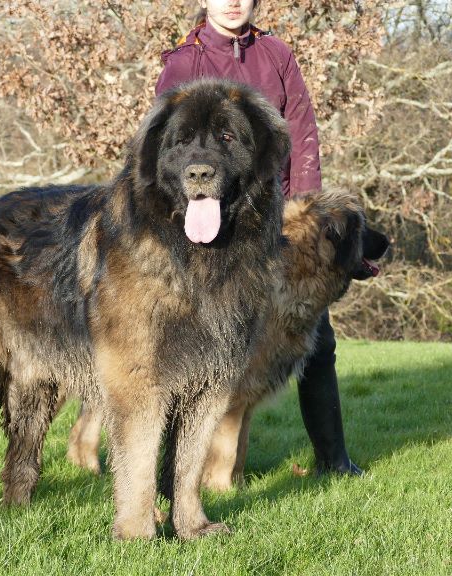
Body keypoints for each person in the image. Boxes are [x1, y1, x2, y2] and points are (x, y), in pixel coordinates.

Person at [156, 0, 362, 475]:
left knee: (317, 342)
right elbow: (168, 146)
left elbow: (303, 135)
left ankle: (334, 459)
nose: (233, 2)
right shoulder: (184, 62)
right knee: (200, 350)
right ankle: (180, 467)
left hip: (277, 227)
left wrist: (303, 213)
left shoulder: (275, 54)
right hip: (209, 229)